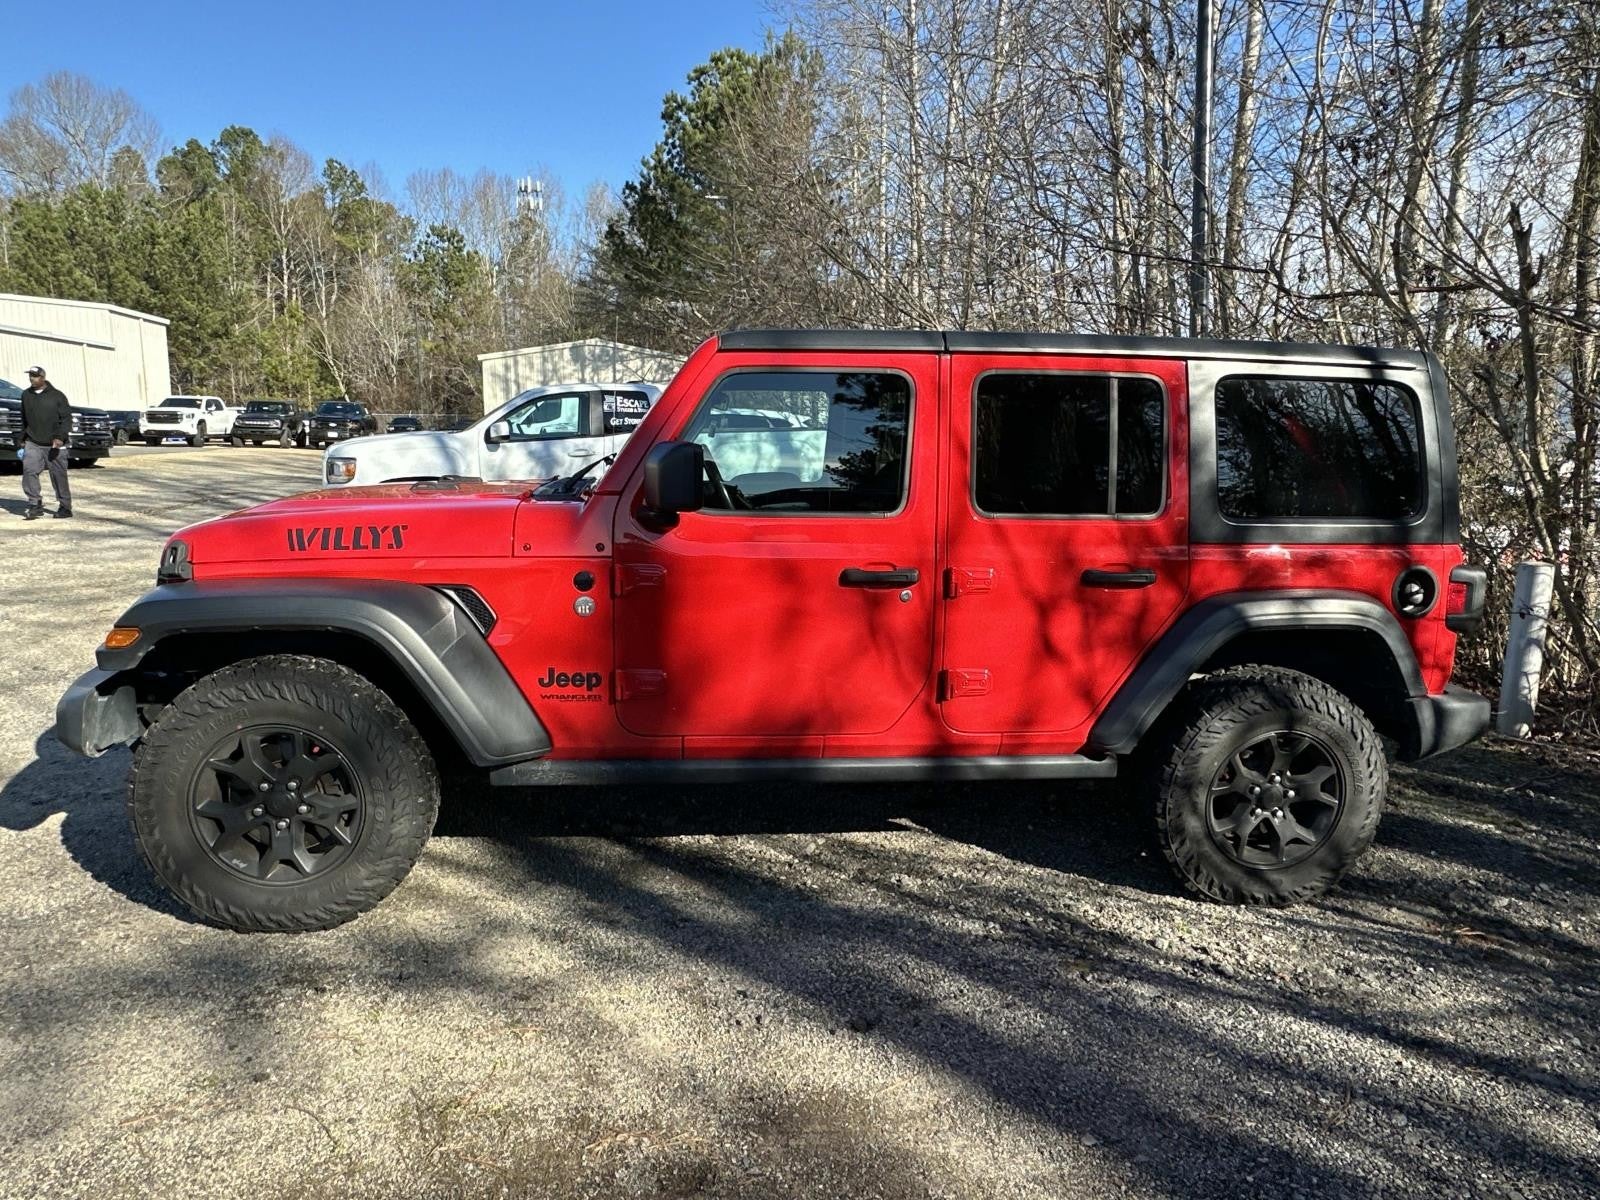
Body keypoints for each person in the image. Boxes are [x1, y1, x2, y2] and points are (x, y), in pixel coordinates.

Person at [19, 365, 72, 520]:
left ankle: (65, 507)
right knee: (29, 471)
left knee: (58, 475)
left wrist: (60, 437)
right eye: (30, 375)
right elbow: (24, 418)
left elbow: (67, 419)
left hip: (54, 443)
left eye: (35, 376)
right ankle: (35, 505)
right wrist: (22, 439)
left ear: (43, 377)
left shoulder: (57, 396)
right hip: (33, 441)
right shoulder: (26, 395)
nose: (32, 378)